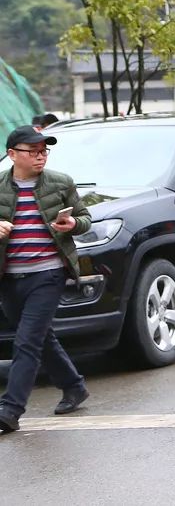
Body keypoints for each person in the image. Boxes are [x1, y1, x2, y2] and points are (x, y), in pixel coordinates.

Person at [0, 126, 92, 434]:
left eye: (44, 151)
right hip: (10, 277)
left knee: (26, 341)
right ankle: (74, 386)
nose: (40, 157)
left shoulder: (60, 182)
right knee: (39, 337)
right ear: (13, 154)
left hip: (49, 273)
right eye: (33, 151)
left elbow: (85, 219)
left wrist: (71, 224)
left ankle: (10, 410)